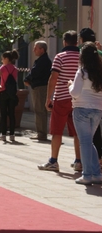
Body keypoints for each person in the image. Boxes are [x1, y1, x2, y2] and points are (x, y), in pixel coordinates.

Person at [38, 30, 81, 172]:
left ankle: (54, 161)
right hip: (78, 99)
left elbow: (53, 78)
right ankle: (78, 161)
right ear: (77, 42)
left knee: (57, 130)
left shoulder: (60, 57)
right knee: (77, 132)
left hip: (62, 97)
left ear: (64, 42)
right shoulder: (82, 57)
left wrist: (48, 98)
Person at [68, 42, 102, 185]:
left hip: (81, 108)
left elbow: (75, 92)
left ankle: (87, 175)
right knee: (89, 142)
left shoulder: (81, 72)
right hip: (97, 110)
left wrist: (70, 85)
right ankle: (96, 173)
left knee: (85, 142)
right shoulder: (100, 72)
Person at [78, 28, 102, 168]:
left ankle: (92, 163)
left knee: (91, 134)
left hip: (88, 100)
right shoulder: (99, 53)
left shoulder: (84, 56)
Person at [24, 41, 52, 141]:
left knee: (40, 110)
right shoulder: (41, 60)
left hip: (41, 87)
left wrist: (27, 80)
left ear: (42, 49)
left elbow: (35, 73)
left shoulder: (44, 61)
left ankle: (41, 134)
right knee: (39, 110)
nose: (33, 50)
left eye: (35, 48)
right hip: (38, 87)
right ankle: (40, 132)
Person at [0, 49, 19, 141]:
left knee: (3, 114)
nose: (2, 61)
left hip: (3, 92)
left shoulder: (3, 68)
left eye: (3, 59)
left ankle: (3, 134)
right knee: (12, 114)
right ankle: (12, 134)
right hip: (12, 93)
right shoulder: (15, 69)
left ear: (6, 59)